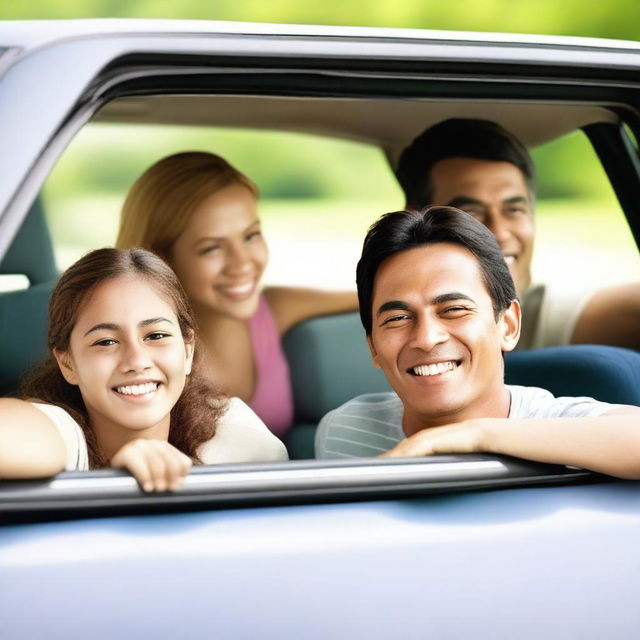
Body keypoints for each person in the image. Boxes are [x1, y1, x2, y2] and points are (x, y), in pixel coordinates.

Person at [315, 206, 640, 480]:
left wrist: (475, 434)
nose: (427, 338)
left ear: (508, 325)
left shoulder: (556, 425)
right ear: (372, 346)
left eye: (454, 310)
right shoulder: (343, 431)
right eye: (398, 318)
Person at [0, 247, 287, 491]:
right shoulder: (62, 431)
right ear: (68, 363)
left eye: (156, 336)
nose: (136, 361)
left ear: (187, 350)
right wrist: (116, 467)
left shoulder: (236, 437)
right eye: (106, 341)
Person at [117, 152, 357, 438]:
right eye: (211, 248)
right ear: (160, 258)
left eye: (251, 235)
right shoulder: (134, 349)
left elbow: (380, 292)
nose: (242, 263)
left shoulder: (274, 310)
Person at [394, 118, 640, 351]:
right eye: (471, 213)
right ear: (415, 220)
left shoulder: (541, 318)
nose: (499, 232)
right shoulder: (380, 323)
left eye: (513, 209)